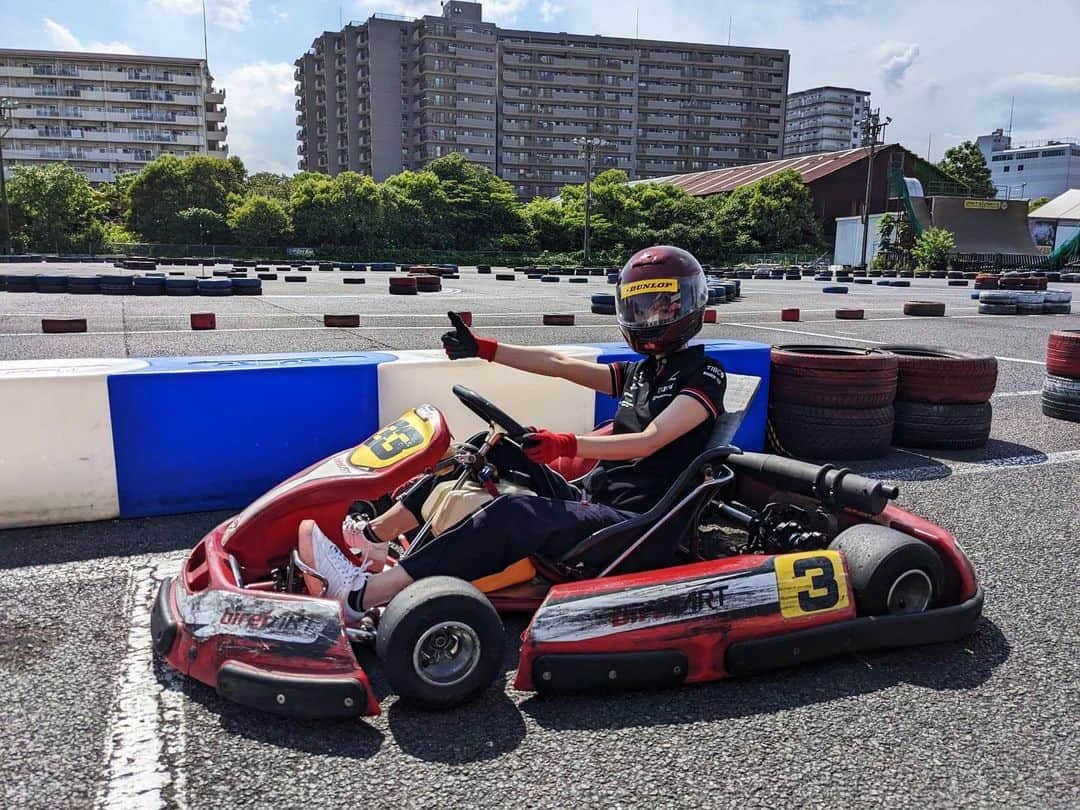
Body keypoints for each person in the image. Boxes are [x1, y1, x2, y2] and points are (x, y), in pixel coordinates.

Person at [297, 245, 727, 623]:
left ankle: (360, 596)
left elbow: (650, 439)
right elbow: (560, 364)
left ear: (684, 306)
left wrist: (566, 443)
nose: (647, 317)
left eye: (658, 306)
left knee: (514, 514)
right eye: (639, 307)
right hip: (595, 500)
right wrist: (486, 350)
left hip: (635, 526)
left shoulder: (705, 375)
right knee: (483, 449)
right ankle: (373, 540)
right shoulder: (641, 374)